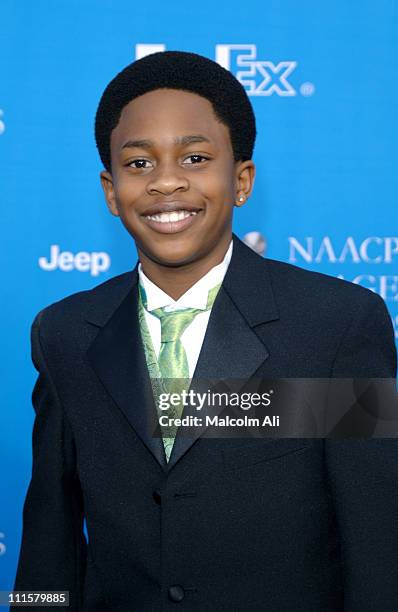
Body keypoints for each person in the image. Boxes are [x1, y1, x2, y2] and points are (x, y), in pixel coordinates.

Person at [14, 51, 398, 611]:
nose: (166, 182)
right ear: (110, 191)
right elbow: (49, 544)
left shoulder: (336, 326)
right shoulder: (66, 334)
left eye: (194, 158)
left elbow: (378, 544)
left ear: (241, 180)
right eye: (139, 164)